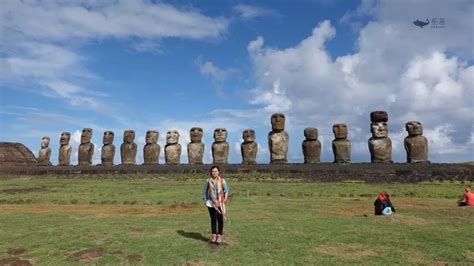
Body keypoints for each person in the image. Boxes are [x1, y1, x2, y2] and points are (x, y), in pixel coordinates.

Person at [203, 165, 229, 244]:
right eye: (213, 171)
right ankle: (214, 235)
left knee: (220, 219)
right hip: (211, 203)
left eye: (216, 171)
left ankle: (219, 236)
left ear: (218, 172)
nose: (214, 172)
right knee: (213, 219)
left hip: (220, 202)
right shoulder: (208, 181)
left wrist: (224, 200)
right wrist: (205, 200)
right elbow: (204, 191)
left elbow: (226, 190)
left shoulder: (222, 181)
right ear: (211, 172)